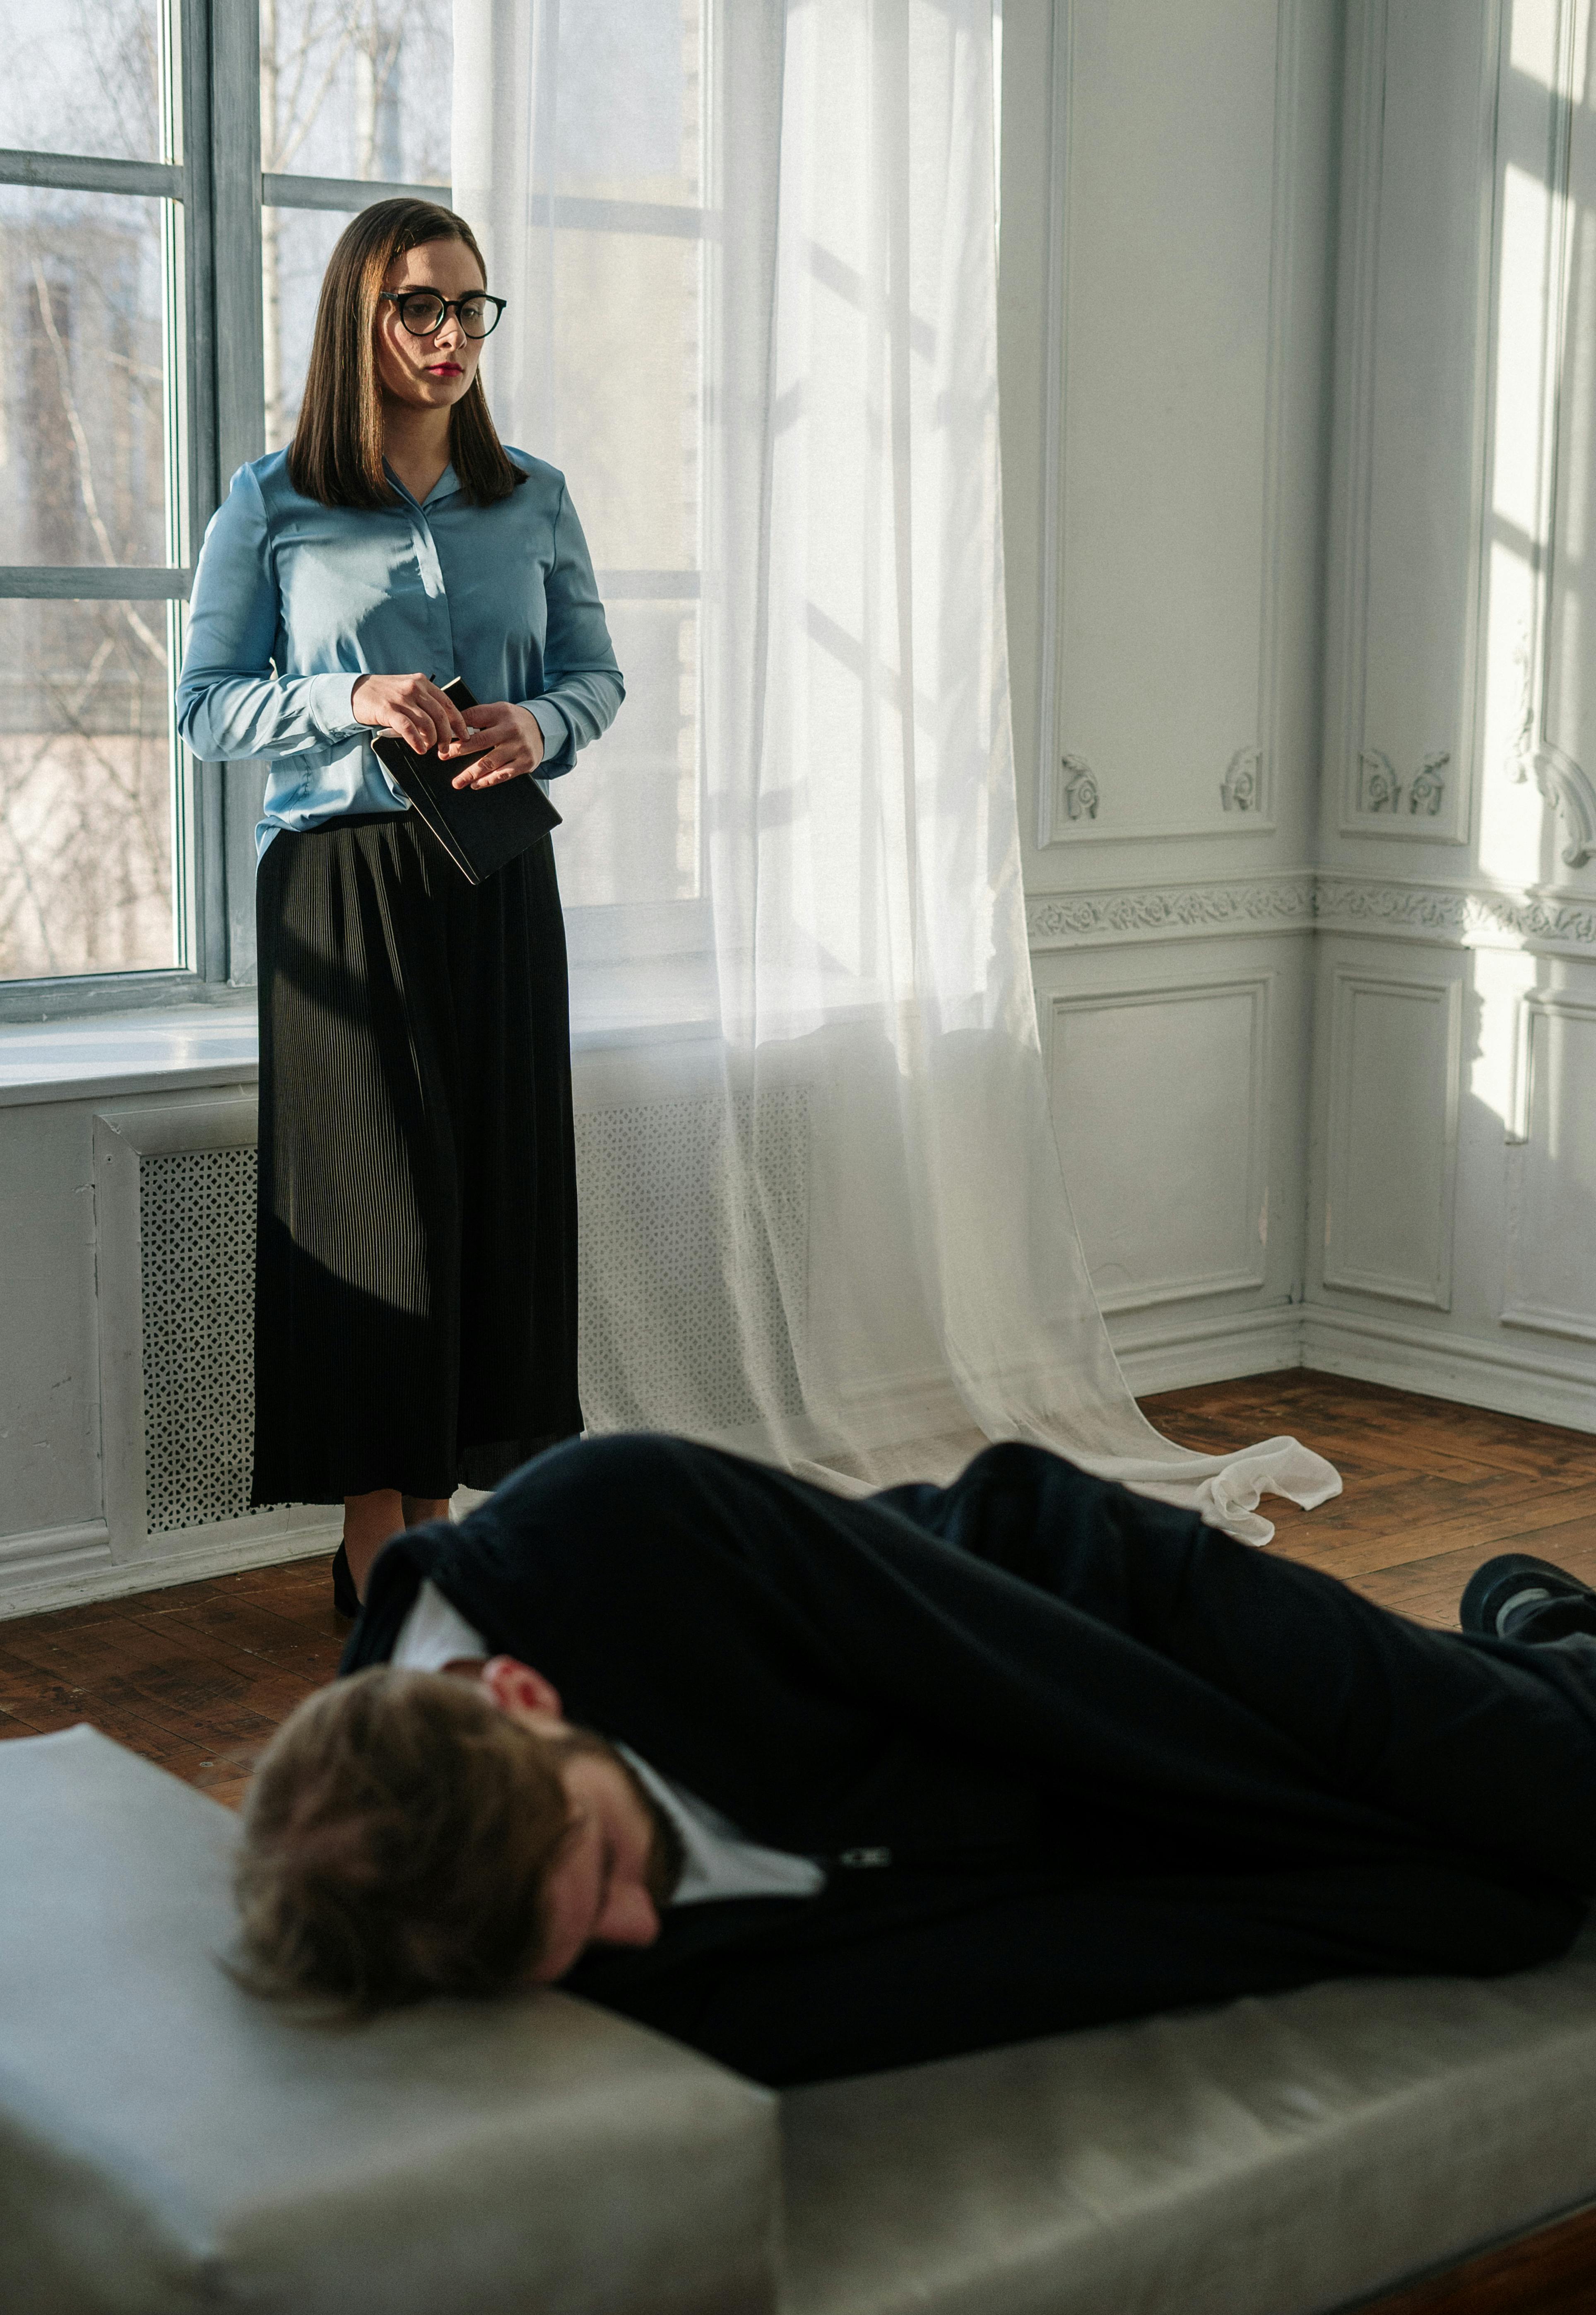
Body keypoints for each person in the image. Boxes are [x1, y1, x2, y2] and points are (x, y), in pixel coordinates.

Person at [234, 1433, 1596, 2087]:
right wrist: (1398, 1910)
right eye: (584, 1940)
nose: (640, 1931)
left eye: (603, 1865)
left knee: (1537, 1780)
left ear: (524, 1695)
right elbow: (1008, 1954)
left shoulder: (614, 1528)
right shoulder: (474, 1895)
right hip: (1031, 1779)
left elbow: (1089, 1707)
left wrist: (1401, 1837)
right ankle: (1539, 1624)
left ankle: (1531, 1642)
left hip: (1097, 1624)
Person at [176, 200, 623, 1609]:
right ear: (359, 320)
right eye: (419, 309)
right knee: (375, 1222)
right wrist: (347, 698)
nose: (449, 338)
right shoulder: (272, 502)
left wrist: (535, 731)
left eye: (470, 310)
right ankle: (376, 1545)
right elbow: (202, 710)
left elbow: (597, 678)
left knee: (486, 1204)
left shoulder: (534, 496)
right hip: (338, 889)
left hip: (495, 882)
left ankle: (441, 1525)